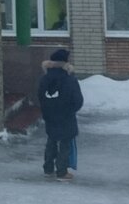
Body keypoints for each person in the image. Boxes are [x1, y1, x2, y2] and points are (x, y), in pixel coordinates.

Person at [38, 48, 84, 181]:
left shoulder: (44, 78)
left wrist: (47, 110)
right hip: (66, 116)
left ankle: (48, 168)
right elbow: (78, 100)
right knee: (65, 143)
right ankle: (62, 172)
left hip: (50, 115)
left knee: (51, 140)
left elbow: (40, 96)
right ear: (65, 62)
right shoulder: (69, 79)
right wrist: (71, 110)